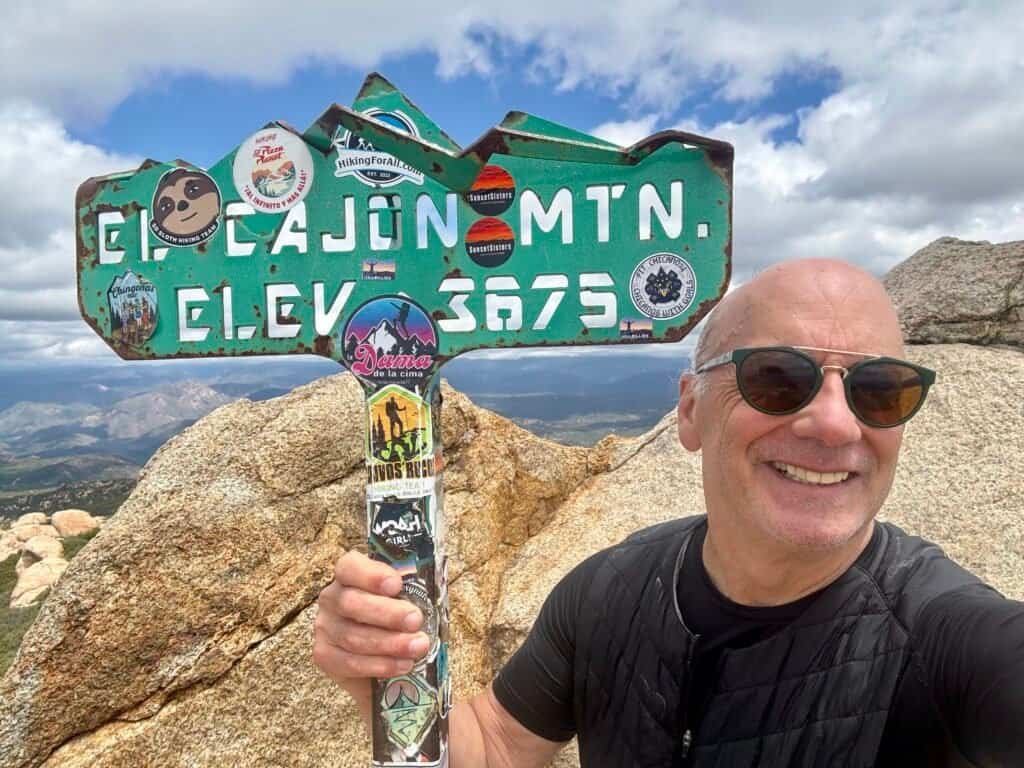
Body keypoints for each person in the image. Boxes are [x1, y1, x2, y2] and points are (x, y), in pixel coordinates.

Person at [313, 259, 1024, 767]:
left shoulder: (950, 638)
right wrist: (392, 674)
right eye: (778, 378)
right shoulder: (608, 591)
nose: (837, 425)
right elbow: (497, 744)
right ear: (689, 410)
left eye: (881, 390)